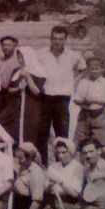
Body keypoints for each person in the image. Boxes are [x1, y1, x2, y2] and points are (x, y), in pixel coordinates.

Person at [37, 26, 85, 163]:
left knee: (62, 134)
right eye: (55, 39)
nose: (57, 42)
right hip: (45, 97)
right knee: (42, 133)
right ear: (50, 39)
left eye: (61, 39)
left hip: (63, 98)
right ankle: (44, 164)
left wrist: (73, 83)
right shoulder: (41, 54)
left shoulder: (73, 55)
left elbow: (82, 68)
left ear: (65, 40)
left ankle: (62, 164)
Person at [0, 44, 44, 149]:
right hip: (14, 107)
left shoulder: (38, 71)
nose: (20, 60)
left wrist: (27, 76)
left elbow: (37, 92)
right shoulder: (16, 71)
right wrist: (18, 88)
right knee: (1, 125)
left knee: (28, 133)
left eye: (22, 57)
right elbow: (10, 89)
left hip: (30, 108)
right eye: (18, 57)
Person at [73, 54, 105, 150]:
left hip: (99, 115)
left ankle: (99, 163)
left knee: (100, 143)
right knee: (80, 142)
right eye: (91, 68)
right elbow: (76, 99)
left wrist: (97, 101)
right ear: (88, 69)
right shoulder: (83, 82)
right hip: (84, 115)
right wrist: (84, 101)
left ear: (102, 69)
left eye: (97, 68)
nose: (94, 71)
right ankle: (81, 163)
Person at [10, 142, 46, 209]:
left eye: (21, 158)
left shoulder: (36, 172)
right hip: (18, 207)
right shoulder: (22, 167)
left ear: (29, 158)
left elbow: (37, 200)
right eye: (17, 157)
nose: (18, 161)